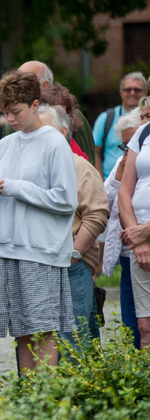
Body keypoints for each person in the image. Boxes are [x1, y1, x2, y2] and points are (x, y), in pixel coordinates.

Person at [0, 70, 78, 371]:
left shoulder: (53, 143)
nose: (11, 118)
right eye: (6, 112)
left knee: (43, 327)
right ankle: (28, 394)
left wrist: (12, 186)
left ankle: (44, 397)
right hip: (7, 247)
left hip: (41, 250)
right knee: (21, 328)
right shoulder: (5, 144)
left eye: (16, 111)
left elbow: (65, 200)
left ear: (35, 105)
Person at [37, 104, 108, 344]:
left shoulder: (80, 168)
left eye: (45, 131)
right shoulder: (32, 168)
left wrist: (74, 255)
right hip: (37, 265)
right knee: (40, 340)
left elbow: (97, 215)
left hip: (70, 267)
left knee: (73, 342)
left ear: (63, 132)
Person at [101, 109, 145, 348]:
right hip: (128, 254)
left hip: (143, 245)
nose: (129, 152)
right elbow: (104, 201)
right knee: (132, 323)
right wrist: (118, 175)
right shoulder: (122, 161)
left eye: (132, 144)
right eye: (124, 146)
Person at [14, 61, 95, 165]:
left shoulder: (74, 117)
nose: (19, 89)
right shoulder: (15, 119)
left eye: (26, 83)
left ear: (44, 85)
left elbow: (90, 165)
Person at [117, 103, 150, 348]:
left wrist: (145, 232)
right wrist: (137, 239)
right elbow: (124, 191)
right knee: (144, 326)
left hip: (143, 234)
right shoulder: (143, 132)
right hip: (140, 242)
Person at [94, 72, 148, 179]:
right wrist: (101, 183)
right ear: (120, 92)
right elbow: (95, 152)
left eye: (137, 90)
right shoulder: (105, 119)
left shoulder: (148, 121)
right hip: (111, 183)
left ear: (146, 92)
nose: (132, 93)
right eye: (127, 89)